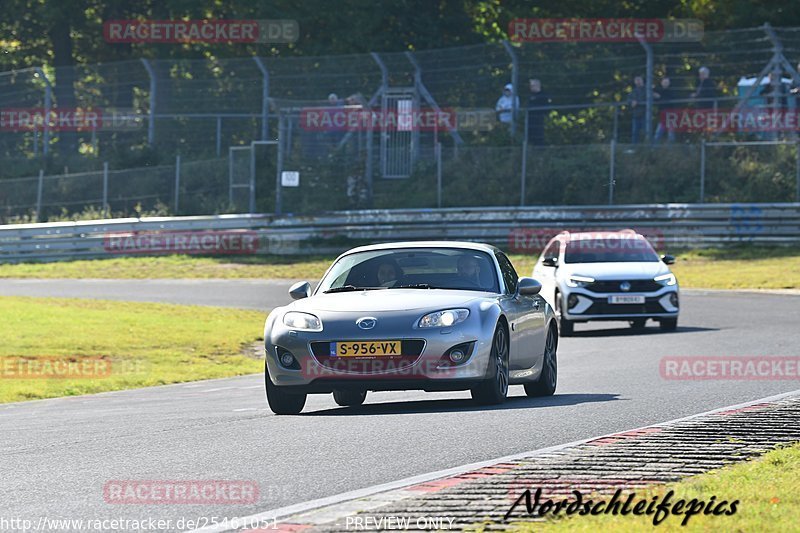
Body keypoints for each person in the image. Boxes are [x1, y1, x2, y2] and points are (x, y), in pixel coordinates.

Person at [526, 78, 551, 145]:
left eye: (532, 85)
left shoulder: (543, 95)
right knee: (530, 135)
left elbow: (547, 107)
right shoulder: (530, 95)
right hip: (530, 118)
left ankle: (540, 149)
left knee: (539, 134)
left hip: (539, 118)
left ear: (537, 85)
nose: (530, 87)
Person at [653, 77, 677, 143]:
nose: (665, 83)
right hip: (662, 116)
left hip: (670, 115)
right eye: (664, 82)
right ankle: (654, 148)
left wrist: (660, 97)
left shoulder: (671, 91)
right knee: (658, 133)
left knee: (671, 133)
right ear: (661, 83)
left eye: (667, 82)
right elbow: (655, 98)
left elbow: (669, 99)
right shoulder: (659, 90)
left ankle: (671, 150)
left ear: (669, 83)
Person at [628, 76, 646, 144]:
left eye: (639, 80)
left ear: (642, 81)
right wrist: (631, 102)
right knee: (635, 133)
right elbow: (628, 99)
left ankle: (648, 147)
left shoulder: (647, 90)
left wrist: (637, 101)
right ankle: (634, 147)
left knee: (646, 132)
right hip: (636, 115)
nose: (638, 82)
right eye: (636, 80)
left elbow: (648, 98)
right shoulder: (633, 91)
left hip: (645, 115)